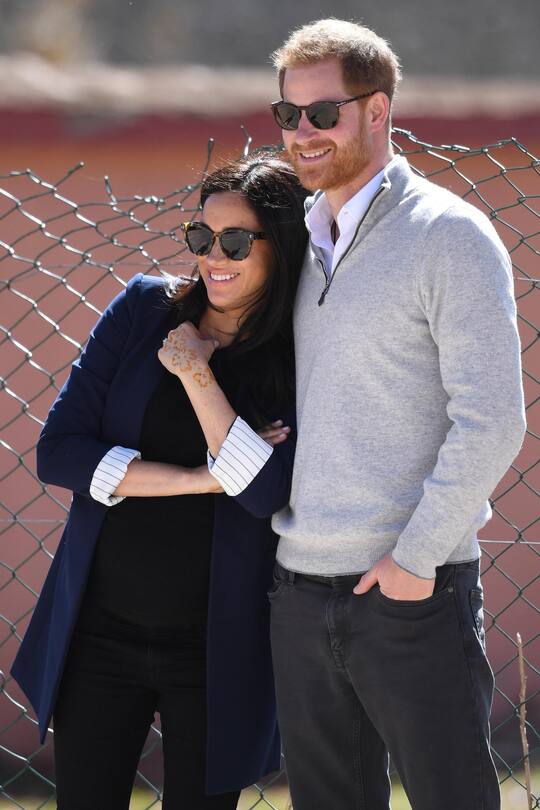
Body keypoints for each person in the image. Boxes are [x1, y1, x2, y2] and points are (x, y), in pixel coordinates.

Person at [260, 18, 524, 810]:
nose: (302, 133)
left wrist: (413, 563)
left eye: (323, 113)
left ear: (378, 112)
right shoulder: (295, 242)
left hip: (414, 591)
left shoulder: (449, 236)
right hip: (300, 590)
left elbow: (494, 419)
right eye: (288, 114)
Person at [11, 153, 308, 810]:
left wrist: (194, 373)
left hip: (216, 649)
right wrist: (201, 479)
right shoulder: (144, 307)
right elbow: (59, 452)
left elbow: (264, 493)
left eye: (234, 241)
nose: (212, 257)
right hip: (100, 631)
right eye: (201, 238)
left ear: (281, 246)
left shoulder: (297, 353)